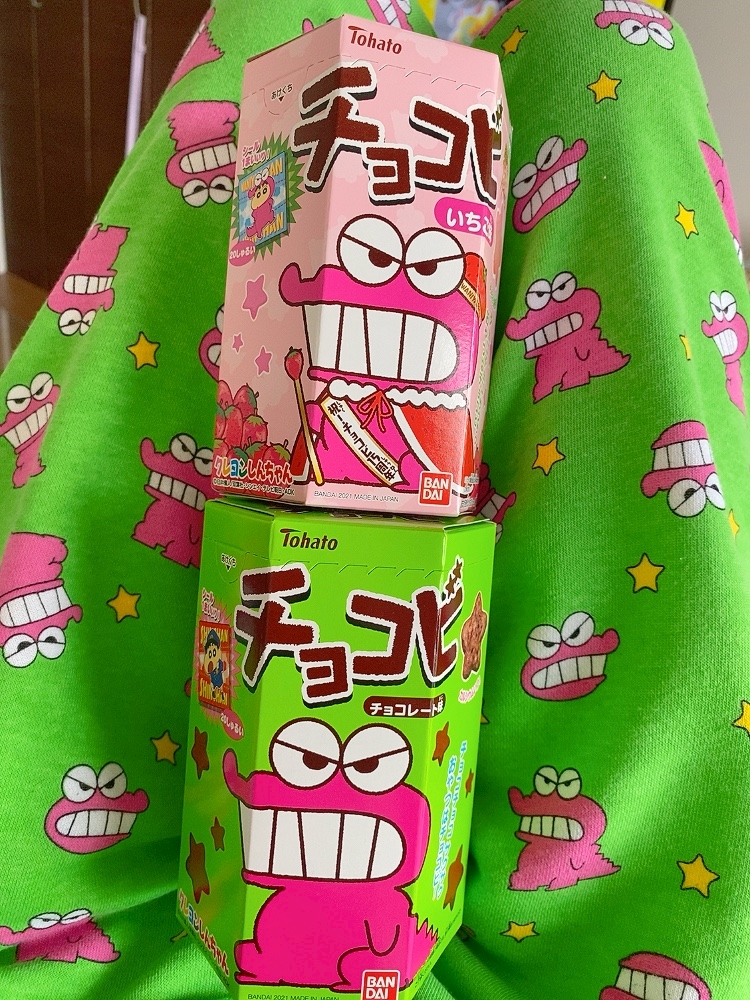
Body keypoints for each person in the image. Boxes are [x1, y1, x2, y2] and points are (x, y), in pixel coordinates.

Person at [1, 1, 748, 998]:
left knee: (293, 37)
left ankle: (402, 47)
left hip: (116, 919)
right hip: (577, 952)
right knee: (605, 55)